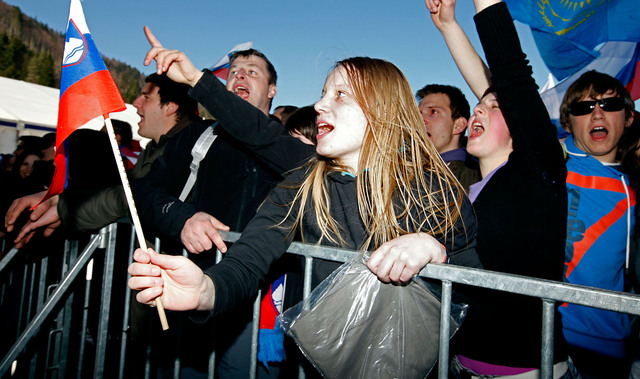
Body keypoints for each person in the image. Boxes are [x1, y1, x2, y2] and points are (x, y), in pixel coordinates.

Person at [128, 56, 481, 376]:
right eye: (323, 93)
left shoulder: (437, 190)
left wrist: (434, 253)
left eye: (340, 95)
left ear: (383, 109)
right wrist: (206, 289)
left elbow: (479, 297)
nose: (320, 105)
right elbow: (248, 260)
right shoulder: (301, 183)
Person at [133, 27, 315, 378]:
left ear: (272, 90)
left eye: (252, 72)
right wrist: (182, 217)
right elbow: (146, 193)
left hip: (259, 305)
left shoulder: (290, 149)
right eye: (233, 72)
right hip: (191, 290)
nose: (239, 76)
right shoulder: (196, 136)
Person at [426, 0, 569, 375]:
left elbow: (510, 75)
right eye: (477, 107)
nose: (477, 112)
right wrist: (449, 26)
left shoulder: (536, 174)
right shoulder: (470, 189)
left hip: (524, 370)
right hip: (461, 364)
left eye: (493, 107)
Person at [4, 73, 198, 246]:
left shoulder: (189, 151)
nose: (136, 103)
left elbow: (130, 197)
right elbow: (120, 190)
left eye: (146, 97)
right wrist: (59, 199)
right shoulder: (154, 149)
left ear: (170, 108)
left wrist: (65, 208)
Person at [558, 70, 636, 378]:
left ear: (628, 117)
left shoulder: (634, 189)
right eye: (583, 107)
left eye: (609, 104)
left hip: (606, 351)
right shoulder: (553, 164)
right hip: (542, 339)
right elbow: (506, 92)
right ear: (568, 123)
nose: (597, 113)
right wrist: (450, 28)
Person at [416, 83, 480, 191]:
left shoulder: (473, 180)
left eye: (433, 112)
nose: (420, 120)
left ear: (458, 125)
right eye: (418, 114)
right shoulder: (411, 170)